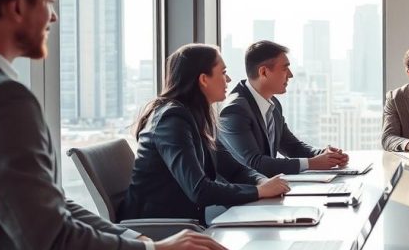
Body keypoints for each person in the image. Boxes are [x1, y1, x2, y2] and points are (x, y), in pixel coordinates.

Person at [0, 0, 228, 250]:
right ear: (17, 6)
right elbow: (53, 243)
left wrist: (137, 240)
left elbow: (52, 203)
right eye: (47, 1)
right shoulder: (4, 100)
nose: (53, 17)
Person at [122, 44, 291, 222]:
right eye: (223, 72)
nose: (229, 79)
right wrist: (259, 191)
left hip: (185, 224)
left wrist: (261, 181)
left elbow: (232, 168)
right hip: (158, 228)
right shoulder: (172, 120)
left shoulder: (196, 116)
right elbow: (199, 190)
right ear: (204, 79)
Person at [219, 40, 348, 176]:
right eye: (285, 68)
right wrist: (313, 163)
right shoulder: (234, 110)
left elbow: (292, 146)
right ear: (263, 72)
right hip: (243, 194)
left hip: (268, 189)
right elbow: (254, 163)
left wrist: (325, 155)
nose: (291, 75)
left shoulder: (272, 104)